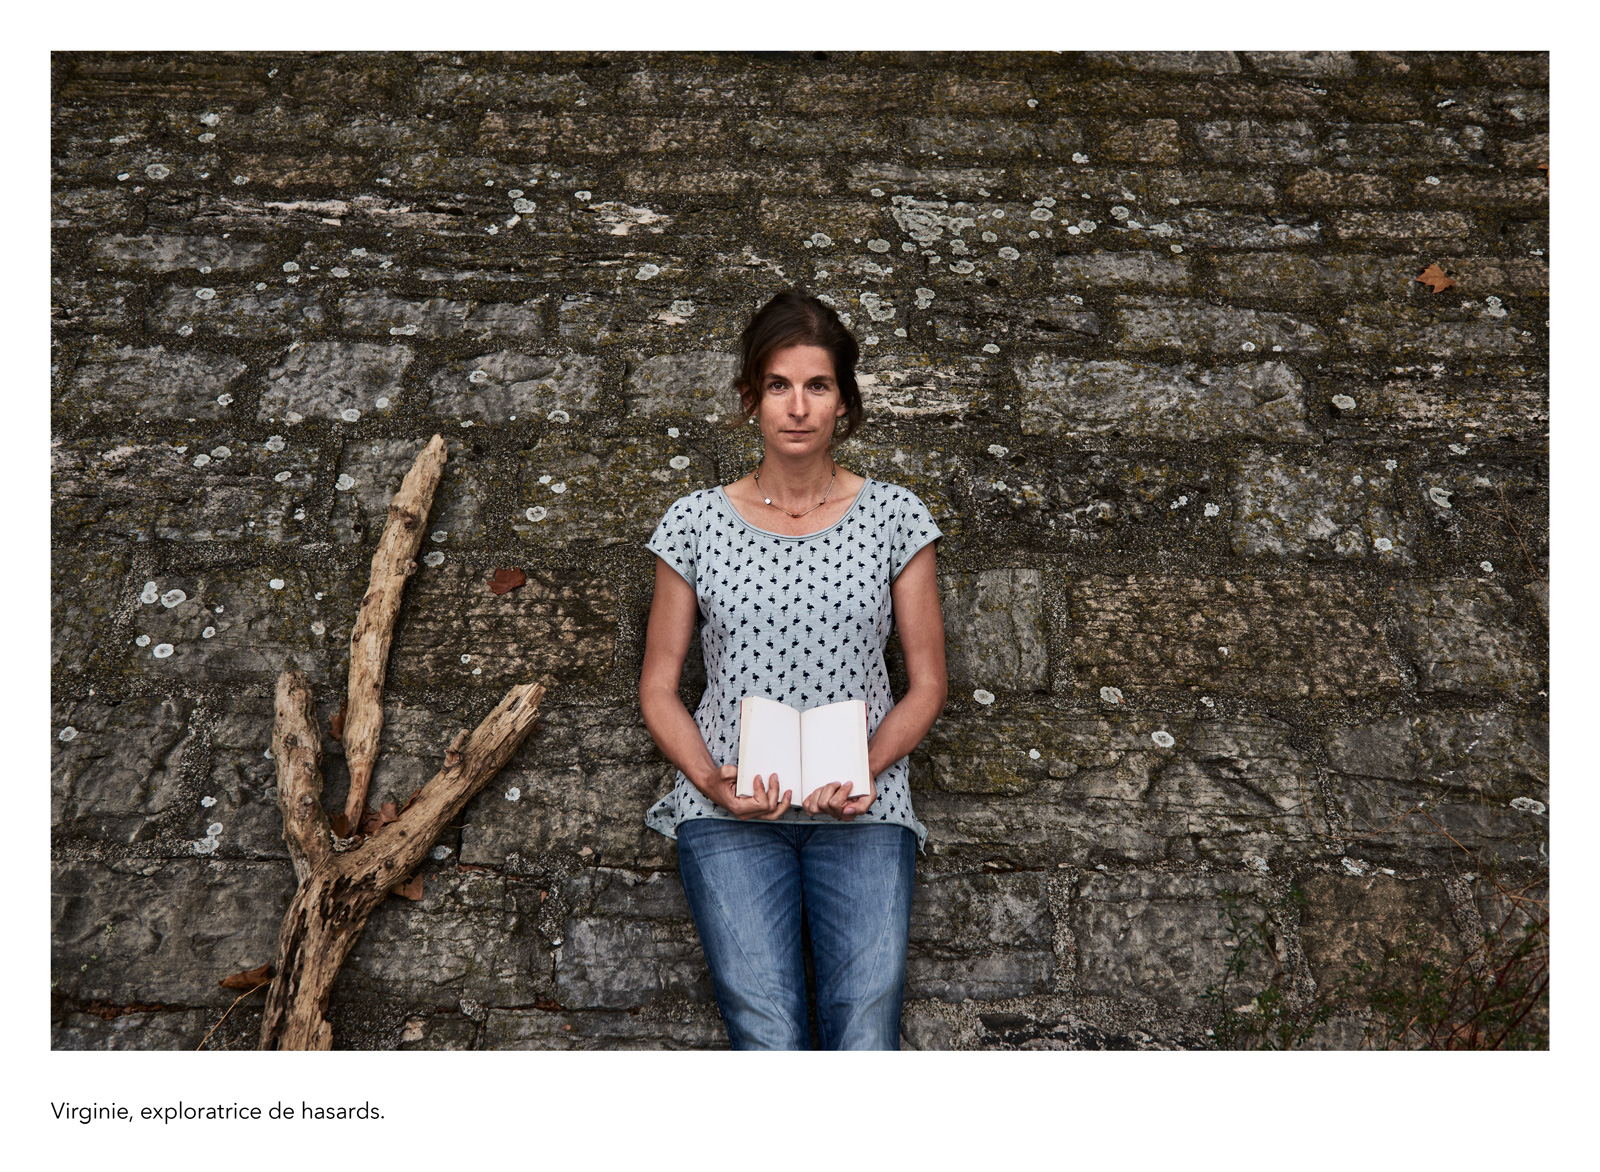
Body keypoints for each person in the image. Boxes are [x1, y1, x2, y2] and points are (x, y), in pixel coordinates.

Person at [638, 289, 948, 1051]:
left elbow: (928, 683)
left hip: (864, 812)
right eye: (779, 385)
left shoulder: (897, 517)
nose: (799, 407)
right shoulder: (694, 522)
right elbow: (659, 685)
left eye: (818, 385)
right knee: (766, 1032)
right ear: (751, 397)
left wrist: (865, 767)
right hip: (731, 815)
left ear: (845, 401)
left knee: (864, 1031)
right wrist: (710, 781)